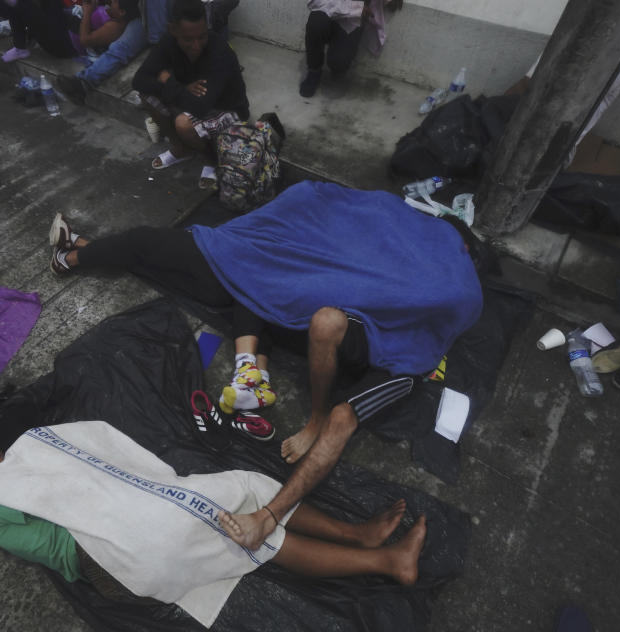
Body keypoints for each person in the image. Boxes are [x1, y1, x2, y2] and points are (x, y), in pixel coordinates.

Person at [46, 180, 486, 550]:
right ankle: (77, 252)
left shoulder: (444, 278)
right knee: (166, 253)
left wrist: (270, 514)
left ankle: (74, 254)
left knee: (333, 394)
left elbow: (451, 300)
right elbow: (339, 213)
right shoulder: (402, 224)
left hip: (333, 317)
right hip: (264, 269)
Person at [0, 417, 427, 627]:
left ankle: (357, 535)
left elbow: (88, 462)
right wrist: (125, 503)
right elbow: (62, 538)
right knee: (230, 523)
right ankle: (383, 560)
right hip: (107, 556)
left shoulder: (16, 460)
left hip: (124, 517)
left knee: (242, 488)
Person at [131, 0, 249, 187]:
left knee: (184, 124)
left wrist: (170, 82)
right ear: (173, 30)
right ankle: (182, 149)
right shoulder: (167, 41)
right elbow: (138, 81)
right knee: (146, 97)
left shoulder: (219, 51)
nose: (196, 45)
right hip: (192, 98)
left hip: (227, 108)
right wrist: (181, 88)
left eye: (202, 37)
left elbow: (201, 107)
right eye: (188, 39)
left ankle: (213, 160)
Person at [300, 0, 403, 98]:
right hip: (327, 11)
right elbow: (316, 2)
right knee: (316, 25)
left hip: (351, 21)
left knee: (339, 61)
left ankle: (338, 72)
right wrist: (357, 8)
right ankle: (314, 70)